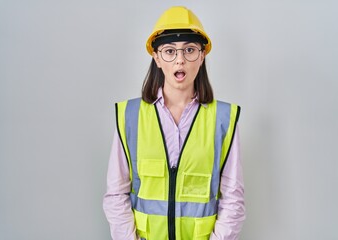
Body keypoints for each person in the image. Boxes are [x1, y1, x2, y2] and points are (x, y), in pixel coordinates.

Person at [103, 6, 245, 240]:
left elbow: (233, 197)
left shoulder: (223, 118)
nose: (180, 59)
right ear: (157, 58)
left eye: (189, 50)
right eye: (170, 51)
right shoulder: (130, 115)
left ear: (202, 56)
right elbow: (116, 194)